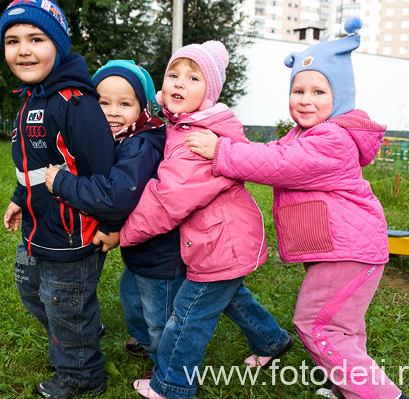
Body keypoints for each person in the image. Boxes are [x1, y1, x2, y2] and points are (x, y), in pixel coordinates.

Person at [186, 18, 408, 399]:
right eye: (298, 90)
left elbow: (278, 165)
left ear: (340, 97)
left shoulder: (332, 139)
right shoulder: (306, 135)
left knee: (317, 325)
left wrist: (222, 151)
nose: (306, 99)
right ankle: (351, 389)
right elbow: (277, 152)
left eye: (319, 91)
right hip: (342, 249)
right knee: (344, 328)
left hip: (350, 253)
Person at [119, 41, 292, 399]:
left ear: (209, 93)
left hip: (219, 245)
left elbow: (168, 199)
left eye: (193, 78)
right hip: (221, 240)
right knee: (231, 297)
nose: (179, 83)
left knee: (189, 315)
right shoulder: (182, 126)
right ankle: (273, 342)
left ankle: (172, 386)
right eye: (173, 74)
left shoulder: (199, 138)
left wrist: (123, 233)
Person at [0, 1, 116, 398]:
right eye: (12, 41)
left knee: (63, 301)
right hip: (37, 227)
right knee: (32, 288)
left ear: (60, 45)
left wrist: (112, 225)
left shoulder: (74, 103)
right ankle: (78, 335)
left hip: (73, 234)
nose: (23, 50)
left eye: (36, 38)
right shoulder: (32, 98)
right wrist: (19, 197)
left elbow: (106, 173)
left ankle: (82, 375)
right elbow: (34, 163)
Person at [44, 59, 186, 367]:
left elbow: (116, 195)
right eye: (103, 102)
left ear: (143, 108)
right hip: (141, 243)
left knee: (157, 307)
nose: (112, 111)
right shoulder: (121, 139)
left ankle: (169, 369)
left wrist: (63, 183)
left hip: (162, 249)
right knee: (132, 293)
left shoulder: (141, 145)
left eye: (125, 103)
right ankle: (144, 338)